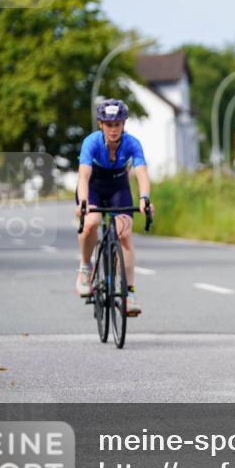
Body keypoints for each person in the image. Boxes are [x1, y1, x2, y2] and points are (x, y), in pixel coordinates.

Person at [75, 99, 153, 316]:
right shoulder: (91, 142)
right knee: (91, 222)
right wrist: (83, 203)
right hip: (93, 188)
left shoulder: (132, 143)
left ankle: (129, 293)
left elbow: (142, 173)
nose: (113, 129)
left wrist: (145, 198)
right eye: (108, 124)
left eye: (117, 124)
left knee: (125, 234)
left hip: (119, 188)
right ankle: (85, 268)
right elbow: (83, 176)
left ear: (123, 124)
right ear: (101, 124)